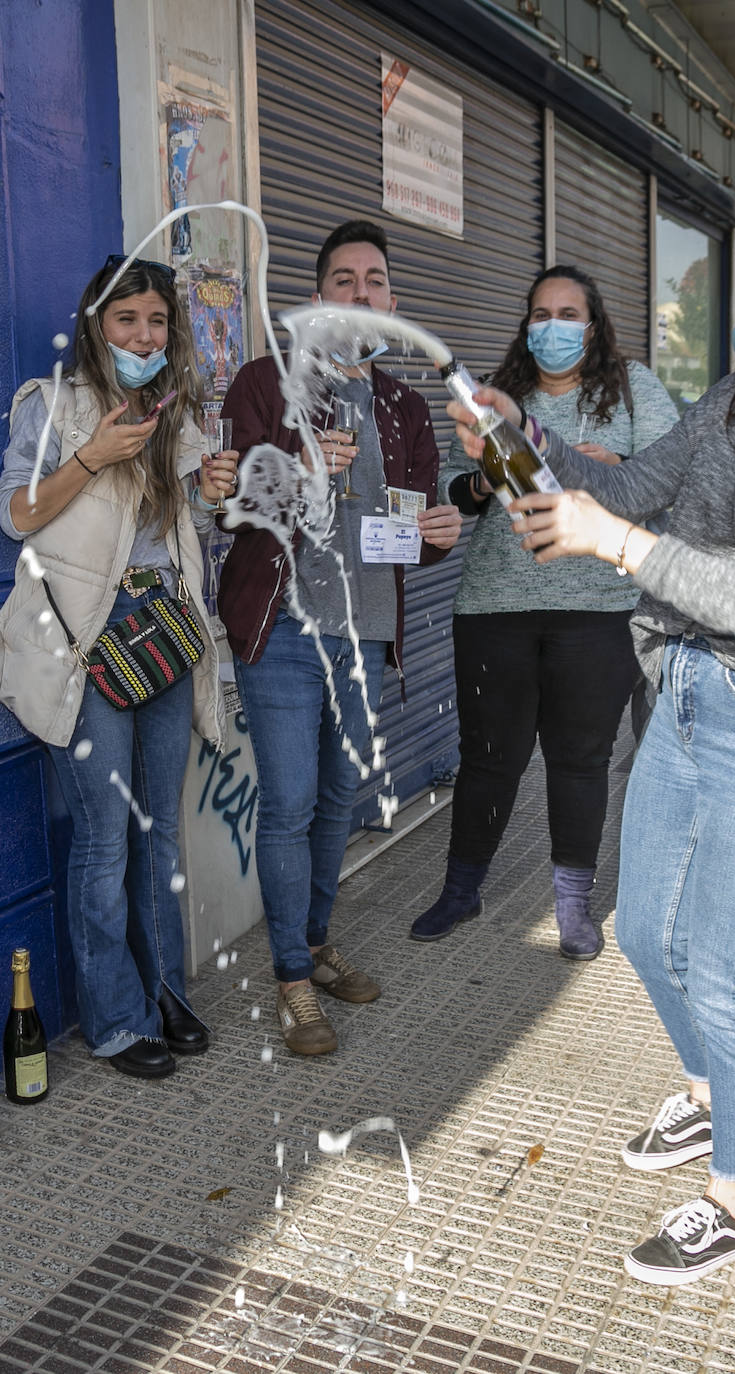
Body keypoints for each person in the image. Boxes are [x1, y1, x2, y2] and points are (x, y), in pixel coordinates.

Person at [446, 199, 735, 1284]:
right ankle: (715, 1097)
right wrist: (524, 444)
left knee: (728, 964)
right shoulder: (731, 404)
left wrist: (612, 544)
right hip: (686, 686)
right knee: (651, 937)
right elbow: (620, 490)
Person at [217, 219, 462, 1058]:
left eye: (376, 281)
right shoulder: (261, 383)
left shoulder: (402, 406)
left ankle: (315, 944)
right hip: (283, 628)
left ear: (393, 302)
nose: (362, 295)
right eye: (345, 281)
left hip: (365, 630)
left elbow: (414, 527)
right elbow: (229, 508)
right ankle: (290, 979)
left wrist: (439, 530)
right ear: (318, 297)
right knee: (286, 803)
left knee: (336, 800)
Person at [0, 255, 235, 1079]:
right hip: (88, 645)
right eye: (127, 319)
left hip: (164, 632)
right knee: (103, 843)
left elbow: (196, 531)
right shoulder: (51, 407)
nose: (143, 335)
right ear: (98, 324)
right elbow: (18, 512)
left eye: (158, 322)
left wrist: (213, 493)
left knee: (159, 830)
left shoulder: (177, 414)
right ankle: (114, 1019)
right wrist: (93, 455)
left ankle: (163, 989)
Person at [410, 265, 677, 958]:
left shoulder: (634, 389)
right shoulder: (502, 397)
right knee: (489, 758)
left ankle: (572, 906)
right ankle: (461, 890)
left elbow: (668, 481)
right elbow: (450, 490)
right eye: (540, 314)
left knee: (579, 760)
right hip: (496, 604)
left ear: (593, 326)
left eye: (567, 314)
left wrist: (609, 463)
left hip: (600, 608)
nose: (551, 327)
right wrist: (483, 477)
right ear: (526, 325)